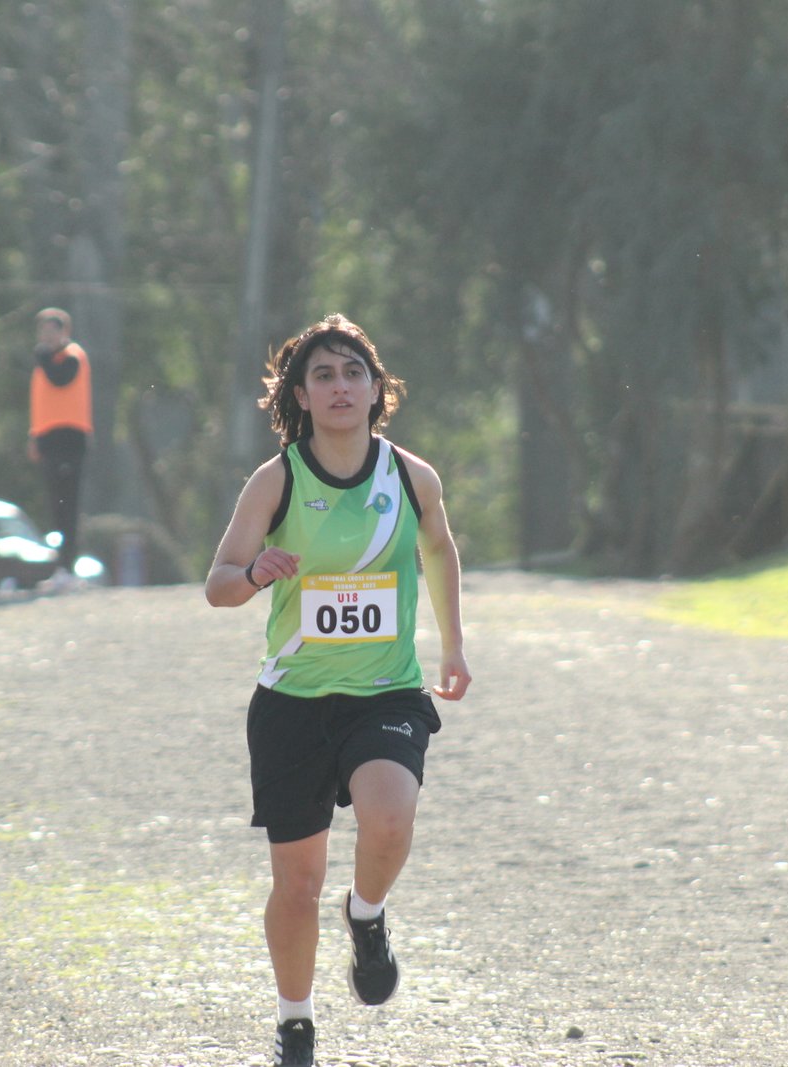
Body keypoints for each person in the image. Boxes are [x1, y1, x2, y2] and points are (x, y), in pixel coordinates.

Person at [204, 314, 471, 1067]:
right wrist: (254, 573)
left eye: (354, 372)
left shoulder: (412, 478)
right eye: (322, 375)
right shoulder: (277, 480)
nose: (340, 386)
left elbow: (440, 550)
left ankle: (368, 913)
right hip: (292, 704)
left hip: (386, 692)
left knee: (390, 817)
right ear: (300, 395)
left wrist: (453, 644)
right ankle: (295, 1023)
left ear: (377, 388)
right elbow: (218, 584)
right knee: (298, 883)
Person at [26, 307, 92, 582]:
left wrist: (43, 358)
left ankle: (69, 566)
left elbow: (60, 379)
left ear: (65, 332)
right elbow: (42, 404)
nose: (47, 336)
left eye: (52, 330)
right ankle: (61, 567)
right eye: (43, 331)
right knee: (55, 505)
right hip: (48, 439)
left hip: (69, 438)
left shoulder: (72, 357)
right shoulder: (45, 362)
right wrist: (34, 437)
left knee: (68, 505)